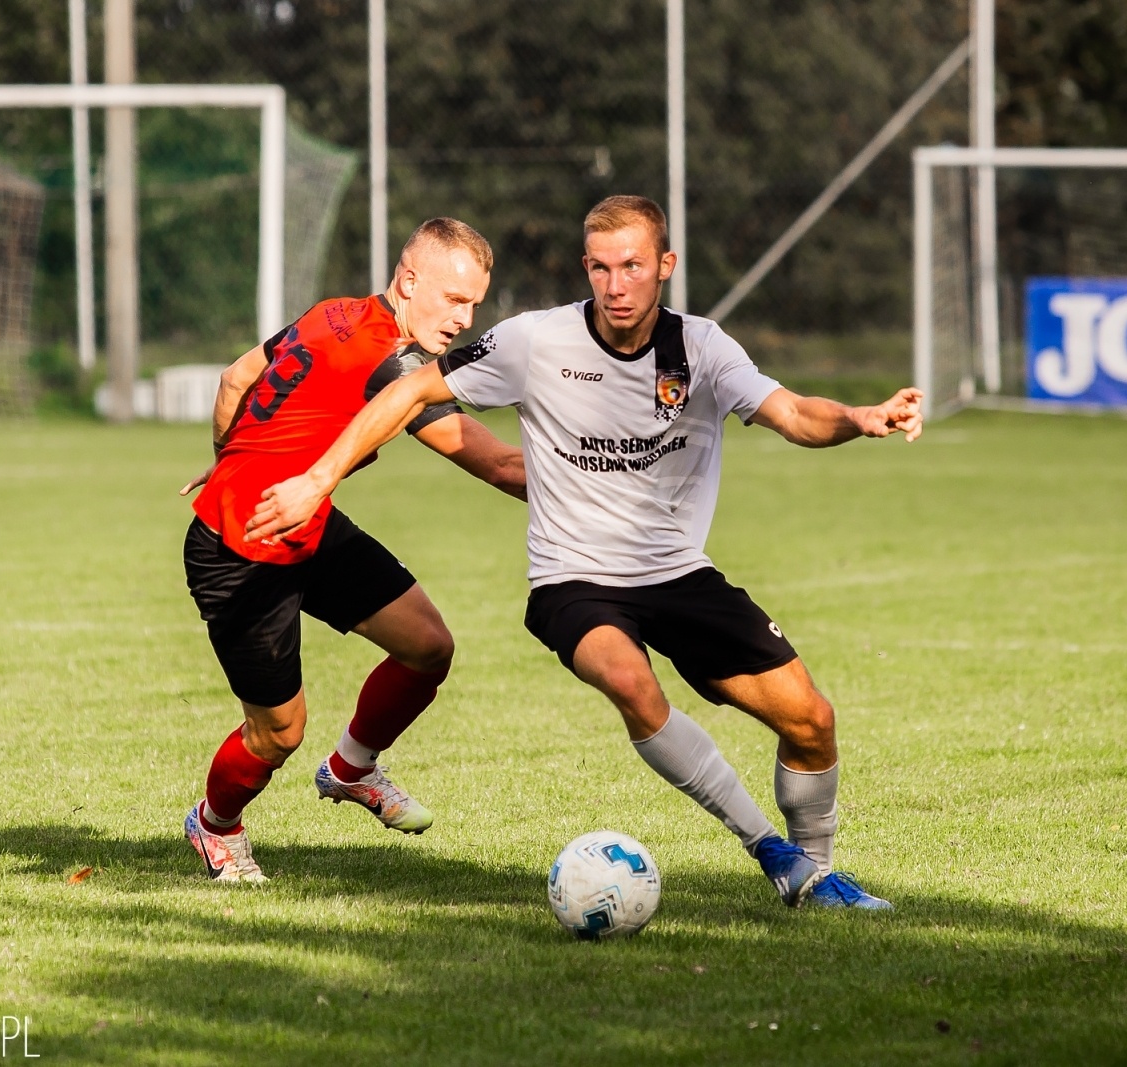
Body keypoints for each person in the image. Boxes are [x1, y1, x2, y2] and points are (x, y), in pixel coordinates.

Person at [247, 196, 923, 910]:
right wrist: (318, 477)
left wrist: (858, 417)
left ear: (664, 266)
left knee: (811, 720)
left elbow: (791, 412)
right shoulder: (536, 340)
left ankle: (813, 878)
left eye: (632, 265)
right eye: (600, 267)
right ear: (586, 269)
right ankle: (770, 848)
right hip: (574, 581)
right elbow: (412, 388)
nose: (616, 284)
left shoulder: (703, 348)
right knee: (632, 683)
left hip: (678, 574)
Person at [178, 218, 524, 883]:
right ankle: (215, 823)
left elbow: (234, 379)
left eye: (475, 303)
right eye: (453, 299)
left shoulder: (334, 312)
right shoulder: (390, 366)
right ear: (409, 279)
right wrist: (607, 482)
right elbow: (503, 467)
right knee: (278, 732)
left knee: (428, 645)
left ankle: (351, 768)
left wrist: (229, 460)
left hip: (308, 525)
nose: (465, 318)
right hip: (241, 553)